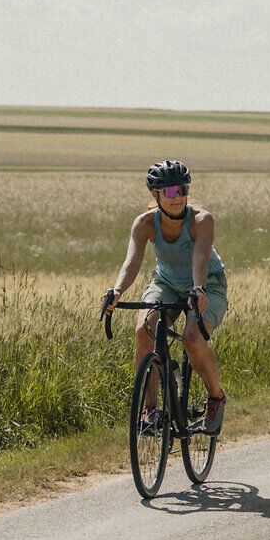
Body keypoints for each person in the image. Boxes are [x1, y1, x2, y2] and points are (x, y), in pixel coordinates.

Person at [103, 160, 229, 435]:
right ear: (155, 195)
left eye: (182, 190)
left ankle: (216, 398)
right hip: (167, 282)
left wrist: (198, 289)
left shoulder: (201, 220)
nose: (178, 197)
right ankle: (150, 409)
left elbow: (200, 256)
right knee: (144, 331)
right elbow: (132, 261)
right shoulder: (145, 223)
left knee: (192, 339)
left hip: (207, 282)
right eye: (170, 192)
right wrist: (117, 291)